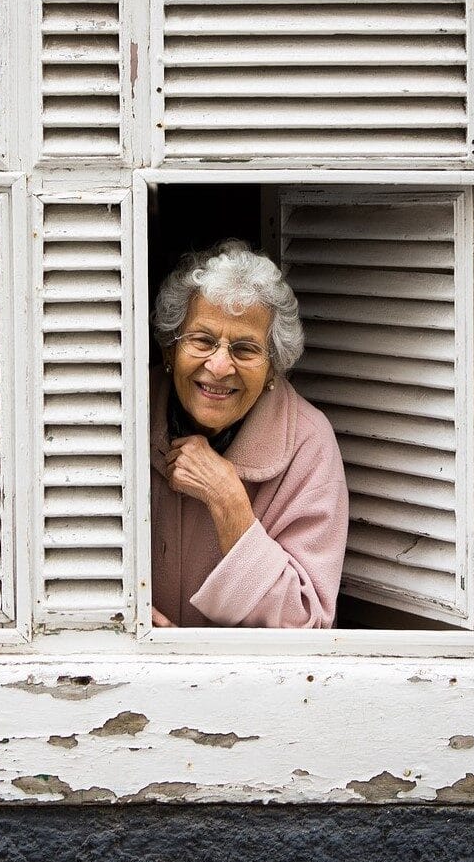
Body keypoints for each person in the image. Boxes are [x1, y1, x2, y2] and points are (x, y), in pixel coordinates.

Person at [149, 240, 348, 628]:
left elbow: (306, 624)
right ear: (170, 351)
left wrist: (228, 501)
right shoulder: (121, 412)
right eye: (202, 341)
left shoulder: (308, 444)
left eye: (245, 349)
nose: (220, 366)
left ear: (273, 369)